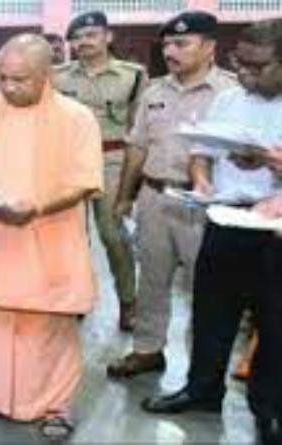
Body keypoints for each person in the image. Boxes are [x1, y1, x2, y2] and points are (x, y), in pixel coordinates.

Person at [0, 34, 102, 440]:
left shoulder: (76, 117)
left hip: (49, 240)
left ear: (46, 75)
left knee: (46, 329)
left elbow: (84, 183)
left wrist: (34, 208)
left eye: (20, 80)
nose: (9, 87)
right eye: (3, 78)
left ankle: (57, 406)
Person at [140, 20, 282, 445]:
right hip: (225, 219)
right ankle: (202, 390)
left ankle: (269, 409)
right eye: (241, 63)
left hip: (276, 231)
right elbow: (201, 151)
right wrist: (202, 181)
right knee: (211, 313)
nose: (245, 74)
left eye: (258, 67)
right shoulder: (229, 99)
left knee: (275, 323)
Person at [107, 11, 237, 378]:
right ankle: (147, 350)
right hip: (154, 196)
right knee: (152, 279)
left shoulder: (230, 93)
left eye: (181, 44)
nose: (170, 52)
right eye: (166, 44)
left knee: (205, 287)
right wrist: (124, 197)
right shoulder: (154, 91)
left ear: (209, 47)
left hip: (204, 203)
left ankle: (201, 367)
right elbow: (137, 147)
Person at [53, 11, 147, 332]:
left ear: (108, 37)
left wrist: (133, 182)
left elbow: (138, 129)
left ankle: (128, 302)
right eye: (77, 37)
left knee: (113, 236)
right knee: (70, 238)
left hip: (112, 160)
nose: (84, 42)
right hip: (67, 163)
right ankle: (75, 299)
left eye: (91, 35)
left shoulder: (133, 76)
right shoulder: (57, 77)